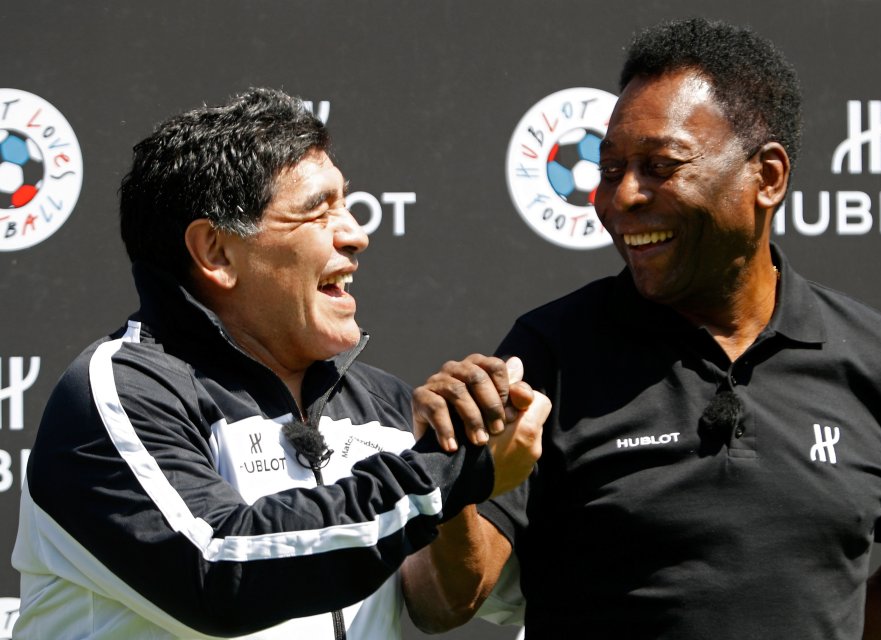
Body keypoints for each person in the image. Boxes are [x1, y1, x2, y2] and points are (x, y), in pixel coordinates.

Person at [402, 17, 881, 639]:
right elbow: (444, 603)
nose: (621, 199)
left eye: (659, 166)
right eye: (610, 170)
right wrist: (454, 478)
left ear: (768, 177)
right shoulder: (550, 355)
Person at [12, 87, 549, 639]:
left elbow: (437, 601)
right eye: (318, 211)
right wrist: (448, 473)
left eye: (348, 204)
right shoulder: (121, 390)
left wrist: (458, 449)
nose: (357, 234)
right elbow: (222, 570)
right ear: (216, 253)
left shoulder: (383, 399)